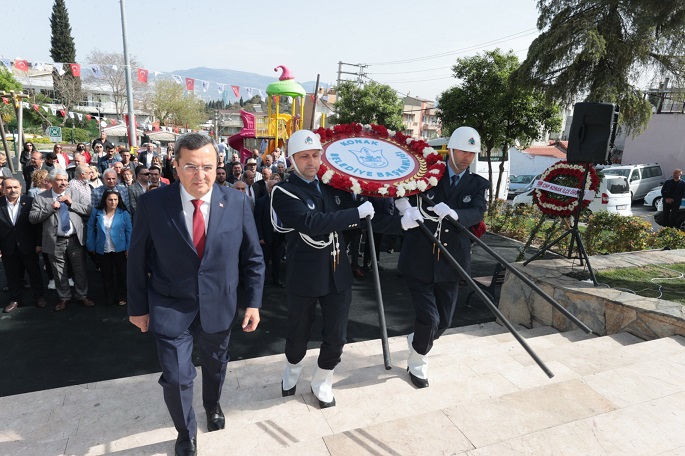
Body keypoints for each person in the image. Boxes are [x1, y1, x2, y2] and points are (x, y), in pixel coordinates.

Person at [127, 133, 264, 456]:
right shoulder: (152, 204)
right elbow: (136, 258)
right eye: (190, 167)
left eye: (207, 167)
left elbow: (253, 258)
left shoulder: (237, 202)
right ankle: (185, 432)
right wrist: (137, 307)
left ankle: (212, 404)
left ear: (219, 166)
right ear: (176, 167)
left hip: (219, 304)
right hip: (170, 304)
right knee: (176, 377)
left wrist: (254, 302)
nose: (199, 175)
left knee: (216, 366)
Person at [270, 129, 400, 409]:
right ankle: (292, 367)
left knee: (337, 335)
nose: (312, 162)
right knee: (298, 334)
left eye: (316, 155)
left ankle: (323, 378)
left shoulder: (333, 186)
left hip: (337, 271)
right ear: (292, 159)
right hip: (304, 275)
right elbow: (312, 222)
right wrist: (355, 213)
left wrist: (403, 221)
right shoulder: (283, 191)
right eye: (304, 156)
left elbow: (368, 219)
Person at [397, 126, 488, 389]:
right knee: (430, 318)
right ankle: (418, 361)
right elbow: (402, 193)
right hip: (420, 256)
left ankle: (417, 340)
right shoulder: (429, 175)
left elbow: (478, 211)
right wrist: (404, 208)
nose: (466, 157)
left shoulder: (477, 184)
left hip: (452, 259)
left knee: (445, 320)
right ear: (450, 149)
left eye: (472, 153)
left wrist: (457, 215)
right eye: (462, 151)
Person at [29, 168, 94, 311]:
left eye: (65, 180)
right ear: (51, 181)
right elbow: (33, 218)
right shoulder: (41, 197)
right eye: (59, 180)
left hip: (75, 238)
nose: (63, 182)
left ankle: (82, 295)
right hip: (54, 240)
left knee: (80, 269)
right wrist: (51, 207)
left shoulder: (75, 193)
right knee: (59, 271)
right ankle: (64, 297)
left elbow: (89, 210)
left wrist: (72, 203)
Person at [0, 178, 47, 312]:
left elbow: (38, 226)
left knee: (34, 272)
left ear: (21, 188)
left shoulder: (30, 202)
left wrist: (39, 243)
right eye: (8, 187)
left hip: (29, 245)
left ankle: (39, 297)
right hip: (7, 246)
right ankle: (15, 300)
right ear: (3, 189)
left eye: (15, 187)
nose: (12, 190)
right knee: (12, 274)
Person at [87, 189, 132, 306]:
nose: (113, 202)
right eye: (110, 200)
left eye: (115, 200)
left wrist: (129, 247)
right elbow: (90, 228)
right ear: (105, 200)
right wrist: (91, 244)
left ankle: (121, 296)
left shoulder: (124, 213)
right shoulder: (96, 212)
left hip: (120, 248)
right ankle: (110, 297)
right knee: (106, 274)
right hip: (103, 247)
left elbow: (129, 231)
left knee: (121, 274)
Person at [254, 179, 285, 287]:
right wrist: (260, 237)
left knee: (277, 259)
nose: (274, 188)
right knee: (265, 260)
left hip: (279, 235)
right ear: (267, 189)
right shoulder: (261, 201)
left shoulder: (283, 201)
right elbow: (257, 221)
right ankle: (264, 281)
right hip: (266, 237)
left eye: (275, 186)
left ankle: (276, 279)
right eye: (271, 186)